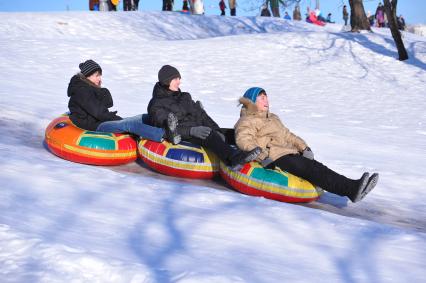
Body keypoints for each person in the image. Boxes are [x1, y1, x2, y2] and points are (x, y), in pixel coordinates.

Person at [234, 87, 379, 203]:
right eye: (262, 97)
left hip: (289, 152)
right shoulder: (247, 120)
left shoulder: (273, 118)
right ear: (251, 101)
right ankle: (351, 189)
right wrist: (262, 156)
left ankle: (353, 186)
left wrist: (303, 147)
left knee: (319, 167)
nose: (267, 100)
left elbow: (287, 135)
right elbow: (244, 140)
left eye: (266, 97)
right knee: (313, 170)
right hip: (275, 156)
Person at [147, 65, 261, 170]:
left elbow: (202, 115)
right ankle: (233, 159)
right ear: (167, 81)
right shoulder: (156, 104)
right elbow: (164, 126)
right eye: (176, 79)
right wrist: (192, 131)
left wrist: (217, 130)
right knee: (209, 134)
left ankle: (260, 152)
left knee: (234, 133)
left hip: (199, 127)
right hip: (185, 134)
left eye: (179, 78)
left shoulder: (184, 97)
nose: (179, 82)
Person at [67, 60, 181, 144]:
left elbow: (108, 103)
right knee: (129, 124)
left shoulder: (90, 88)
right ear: (87, 76)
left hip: (100, 121)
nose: (100, 79)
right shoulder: (81, 91)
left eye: (100, 75)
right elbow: (99, 113)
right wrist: (119, 120)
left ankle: (170, 126)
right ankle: (165, 134)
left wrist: (100, 90)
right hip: (94, 126)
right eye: (97, 76)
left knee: (143, 117)